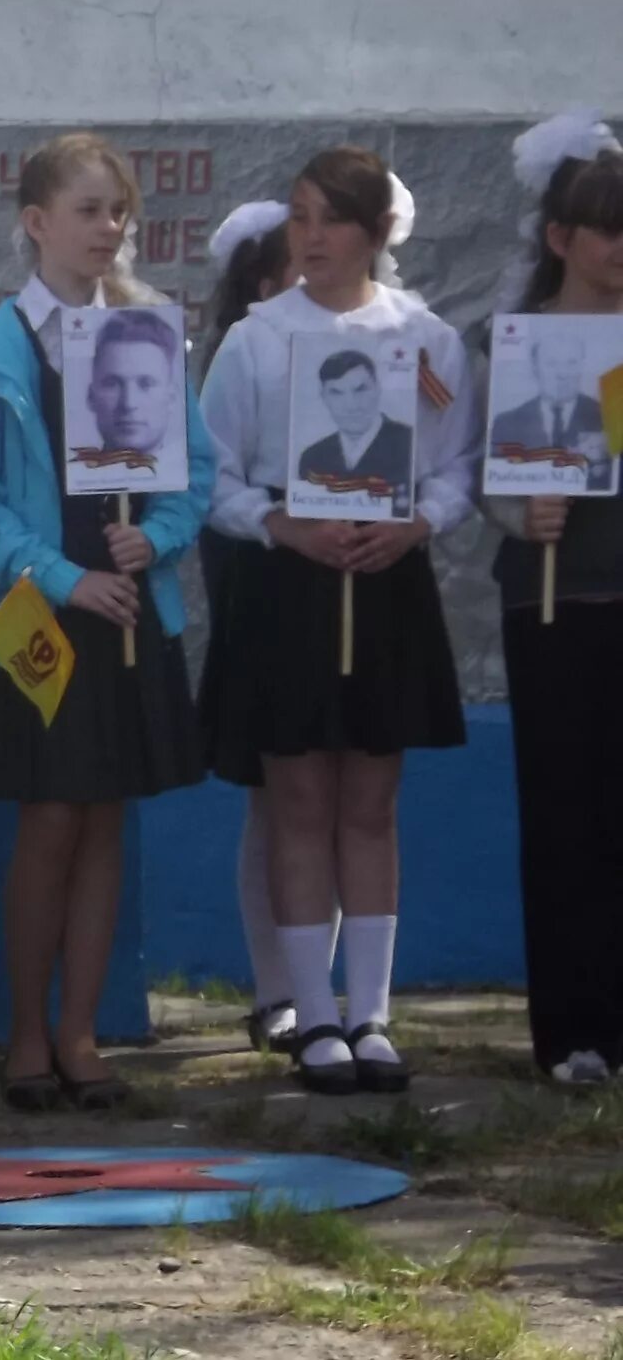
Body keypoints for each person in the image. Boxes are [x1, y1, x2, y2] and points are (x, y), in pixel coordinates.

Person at [199, 147, 469, 1096]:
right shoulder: (257, 338)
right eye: (300, 218)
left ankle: (373, 1015)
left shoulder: (425, 339)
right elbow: (214, 470)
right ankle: (312, 1016)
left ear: (374, 232)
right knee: (301, 801)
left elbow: (450, 465)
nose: (310, 238)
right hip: (289, 583)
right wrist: (278, 524)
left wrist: (415, 525)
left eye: (330, 220)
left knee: (370, 801)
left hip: (385, 580)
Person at [0, 134, 211, 1114]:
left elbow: (195, 471)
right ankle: (26, 1033)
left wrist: (162, 539)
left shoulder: (147, 334)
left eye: (120, 212)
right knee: (51, 816)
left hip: (133, 611)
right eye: (90, 210)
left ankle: (81, 1031)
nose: (110, 228)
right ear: (35, 223)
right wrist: (67, 578)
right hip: (39, 616)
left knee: (107, 818)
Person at [481, 115, 623, 1087]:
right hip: (552, 600)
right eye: (605, 229)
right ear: (562, 238)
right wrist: (516, 510)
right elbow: (484, 472)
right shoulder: (520, 346)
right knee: (564, 816)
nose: (619, 250)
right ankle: (572, 1030)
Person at [200, 197, 306, 1053]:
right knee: (276, 805)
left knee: (341, 803)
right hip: (264, 594)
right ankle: (278, 991)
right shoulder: (241, 364)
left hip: (354, 588)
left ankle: (329, 989)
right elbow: (215, 493)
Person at [489, 330, 615, 494]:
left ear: (582, 366)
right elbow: (498, 493)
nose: (562, 374)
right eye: (551, 363)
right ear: (535, 368)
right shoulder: (506, 424)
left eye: (571, 363)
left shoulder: (609, 418)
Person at [295, 350, 416, 517]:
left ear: (377, 388)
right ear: (324, 398)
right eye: (336, 393)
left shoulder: (410, 443)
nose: (351, 405)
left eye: (360, 390)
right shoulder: (312, 458)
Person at [84, 310, 181, 459]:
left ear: (172, 397)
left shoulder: (198, 474)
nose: (128, 403)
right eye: (113, 384)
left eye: (146, 384)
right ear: (91, 397)